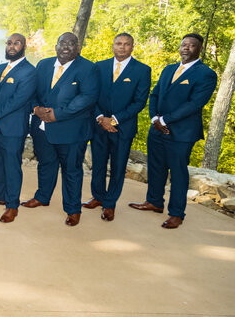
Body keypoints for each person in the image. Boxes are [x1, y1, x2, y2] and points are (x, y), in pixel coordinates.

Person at [129, 33, 217, 229]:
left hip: (182, 133)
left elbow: (195, 103)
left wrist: (165, 120)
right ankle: (154, 202)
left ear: (199, 49)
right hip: (157, 129)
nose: (186, 48)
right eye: (184, 44)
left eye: (191, 45)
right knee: (155, 168)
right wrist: (154, 119)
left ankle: (177, 214)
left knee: (178, 173)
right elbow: (155, 94)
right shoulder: (169, 69)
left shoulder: (206, 74)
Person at [24, 32, 99, 226]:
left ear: (78, 47)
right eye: (62, 43)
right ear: (56, 45)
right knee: (45, 163)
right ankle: (42, 197)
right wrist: (35, 108)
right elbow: (31, 91)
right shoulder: (43, 65)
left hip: (71, 131)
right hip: (42, 128)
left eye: (71, 43)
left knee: (71, 170)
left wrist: (57, 114)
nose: (66, 47)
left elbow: (87, 98)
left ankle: (73, 209)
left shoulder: (89, 68)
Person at [84, 33, 151, 222]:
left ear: (132, 47)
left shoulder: (142, 70)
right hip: (98, 125)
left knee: (118, 167)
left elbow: (139, 102)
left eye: (126, 44)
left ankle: (109, 204)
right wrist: (100, 118)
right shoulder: (99, 66)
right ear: (113, 45)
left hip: (123, 128)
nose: (122, 47)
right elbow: (91, 95)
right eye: (118, 43)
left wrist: (113, 120)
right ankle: (98, 196)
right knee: (97, 164)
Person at [0, 33, 37, 223]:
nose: (11, 46)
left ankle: (12, 205)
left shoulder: (29, 71)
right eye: (9, 43)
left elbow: (18, 100)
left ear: (24, 46)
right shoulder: (1, 68)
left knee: (11, 167)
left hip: (12, 129)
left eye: (16, 43)